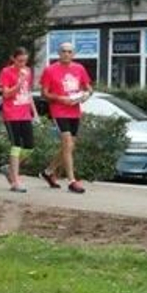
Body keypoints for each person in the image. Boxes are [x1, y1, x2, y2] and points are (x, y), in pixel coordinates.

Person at [39, 43, 92, 193]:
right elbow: (44, 93)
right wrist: (60, 98)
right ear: (58, 53)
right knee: (67, 143)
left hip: (74, 111)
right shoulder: (50, 70)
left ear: (73, 54)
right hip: (59, 111)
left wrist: (85, 95)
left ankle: (48, 171)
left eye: (69, 52)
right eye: (64, 51)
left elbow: (88, 88)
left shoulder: (79, 68)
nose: (67, 54)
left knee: (69, 147)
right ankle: (72, 181)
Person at [0, 48, 36, 193]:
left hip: (25, 113)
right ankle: (15, 181)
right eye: (19, 61)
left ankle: (10, 168)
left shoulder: (28, 71)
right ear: (13, 59)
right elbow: (6, 94)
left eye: (25, 61)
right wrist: (19, 83)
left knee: (29, 147)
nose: (22, 64)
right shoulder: (6, 72)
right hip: (11, 113)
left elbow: (28, 93)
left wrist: (34, 112)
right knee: (16, 146)